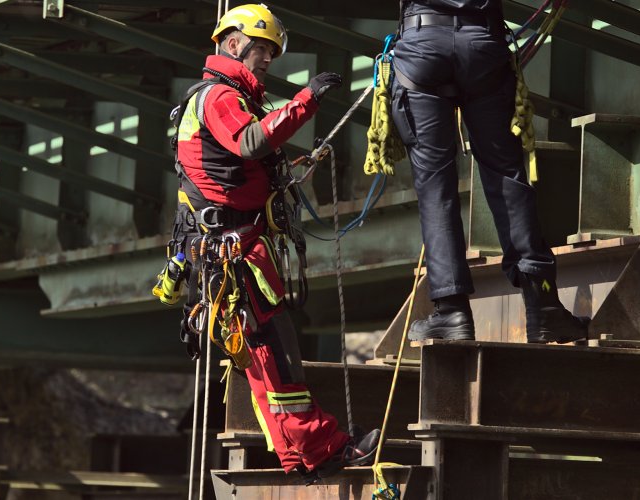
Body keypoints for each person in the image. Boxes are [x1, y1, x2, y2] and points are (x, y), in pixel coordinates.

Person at [171, 3, 379, 481]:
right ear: (230, 42)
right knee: (275, 352)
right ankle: (322, 447)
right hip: (233, 251)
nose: (266, 59)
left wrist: (292, 165)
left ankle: (297, 455)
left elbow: (242, 163)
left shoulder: (222, 97)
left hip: (230, 249)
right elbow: (249, 143)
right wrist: (306, 100)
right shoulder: (220, 96)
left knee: (265, 354)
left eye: (271, 52)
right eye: (261, 49)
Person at [388, 0, 588, 343]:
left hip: (421, 46)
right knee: (505, 173)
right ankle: (543, 305)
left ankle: (451, 310)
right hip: (482, 42)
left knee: (435, 186)